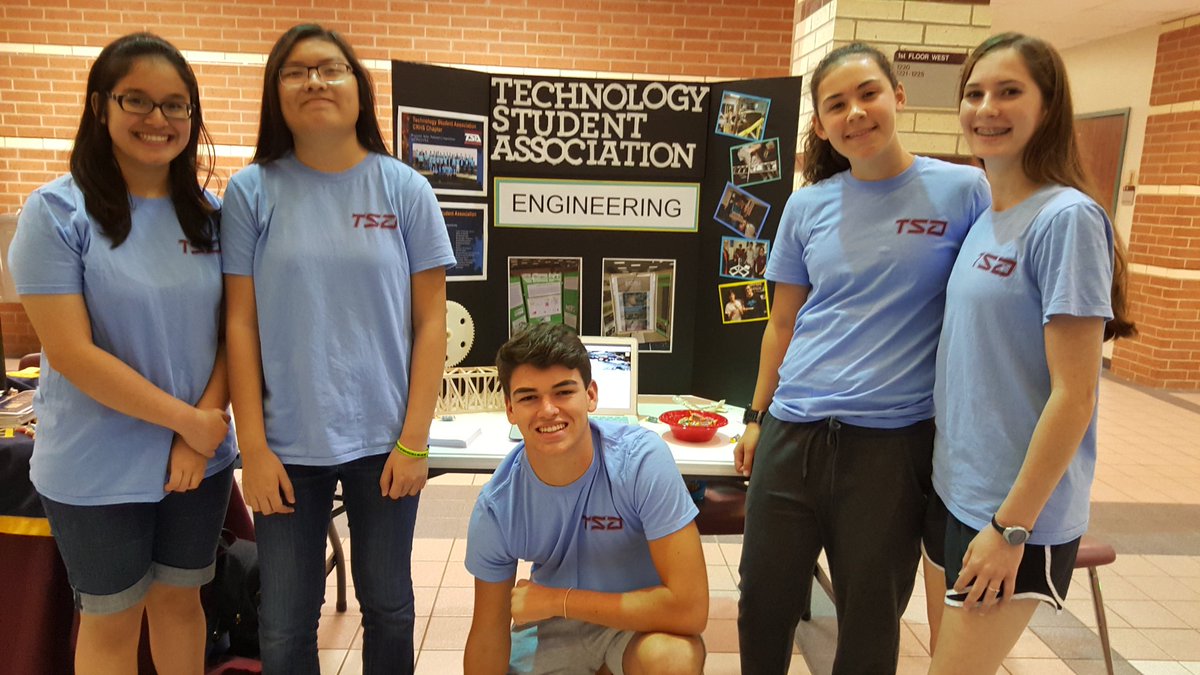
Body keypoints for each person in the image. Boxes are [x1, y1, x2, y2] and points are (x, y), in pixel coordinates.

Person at [733, 42, 991, 674]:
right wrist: (756, 415)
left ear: (898, 96)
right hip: (793, 433)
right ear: (820, 123)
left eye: (868, 94)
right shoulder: (808, 204)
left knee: (871, 613)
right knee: (763, 604)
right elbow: (783, 321)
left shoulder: (963, 190)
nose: (856, 113)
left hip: (891, 445)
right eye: (836, 104)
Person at [221, 24, 455, 675]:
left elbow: (431, 323)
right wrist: (255, 447)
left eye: (331, 68)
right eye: (296, 71)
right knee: (285, 622)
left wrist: (414, 439)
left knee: (390, 607)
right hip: (286, 448)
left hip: (386, 441)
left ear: (359, 87)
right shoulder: (251, 192)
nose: (315, 81)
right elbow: (238, 325)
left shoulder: (404, 189)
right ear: (276, 92)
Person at [8, 32, 236, 675]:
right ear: (98, 106)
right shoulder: (55, 214)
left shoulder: (211, 217)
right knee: (110, 623)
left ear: (193, 118)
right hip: (95, 462)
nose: (157, 119)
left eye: (175, 105)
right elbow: (73, 353)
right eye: (136, 100)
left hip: (198, 459)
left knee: (181, 605)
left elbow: (233, 335)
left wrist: (201, 434)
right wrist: (186, 423)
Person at [925, 32, 1135, 674]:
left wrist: (1011, 528)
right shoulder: (989, 213)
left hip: (1013, 514)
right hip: (953, 491)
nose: (986, 107)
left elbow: (1075, 394)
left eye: (1009, 91)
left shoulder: (1066, 219)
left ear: (1049, 106)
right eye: (975, 92)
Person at [464, 323, 707, 675]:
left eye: (563, 392)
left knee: (674, 661)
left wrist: (557, 600)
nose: (548, 410)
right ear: (510, 409)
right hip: (552, 628)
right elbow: (487, 633)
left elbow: (690, 609)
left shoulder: (641, 462)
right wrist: (553, 608)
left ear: (591, 395)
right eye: (529, 397)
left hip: (638, 622)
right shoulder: (498, 506)